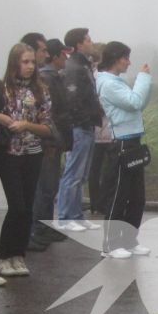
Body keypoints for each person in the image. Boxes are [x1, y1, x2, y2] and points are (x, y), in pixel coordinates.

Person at [0, 42, 52, 277]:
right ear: (15, 63)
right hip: (9, 153)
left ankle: (19, 254)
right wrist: (4, 120)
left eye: (32, 62)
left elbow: (47, 127)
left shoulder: (41, 90)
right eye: (25, 62)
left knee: (27, 208)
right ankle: (4, 255)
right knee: (16, 206)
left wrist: (28, 125)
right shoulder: (2, 88)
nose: (29, 66)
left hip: (33, 152)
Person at [93, 41, 153, 257]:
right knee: (118, 194)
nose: (129, 62)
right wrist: (143, 78)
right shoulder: (109, 84)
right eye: (126, 58)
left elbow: (138, 103)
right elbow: (134, 102)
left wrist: (144, 82)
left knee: (137, 196)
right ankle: (110, 244)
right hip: (121, 144)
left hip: (133, 140)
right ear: (116, 58)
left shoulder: (116, 81)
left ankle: (129, 240)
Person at [55, 28, 103, 223]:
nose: (91, 42)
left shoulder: (82, 65)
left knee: (80, 174)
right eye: (88, 39)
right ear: (78, 45)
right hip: (80, 126)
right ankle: (67, 216)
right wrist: (84, 119)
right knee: (74, 173)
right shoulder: (75, 67)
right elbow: (73, 99)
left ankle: (75, 214)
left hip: (86, 124)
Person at [29, 38, 69, 252]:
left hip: (54, 137)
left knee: (50, 186)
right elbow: (50, 113)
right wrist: (52, 138)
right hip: (46, 141)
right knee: (43, 187)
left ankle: (43, 226)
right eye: (42, 50)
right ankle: (35, 228)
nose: (45, 55)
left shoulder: (49, 77)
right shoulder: (46, 78)